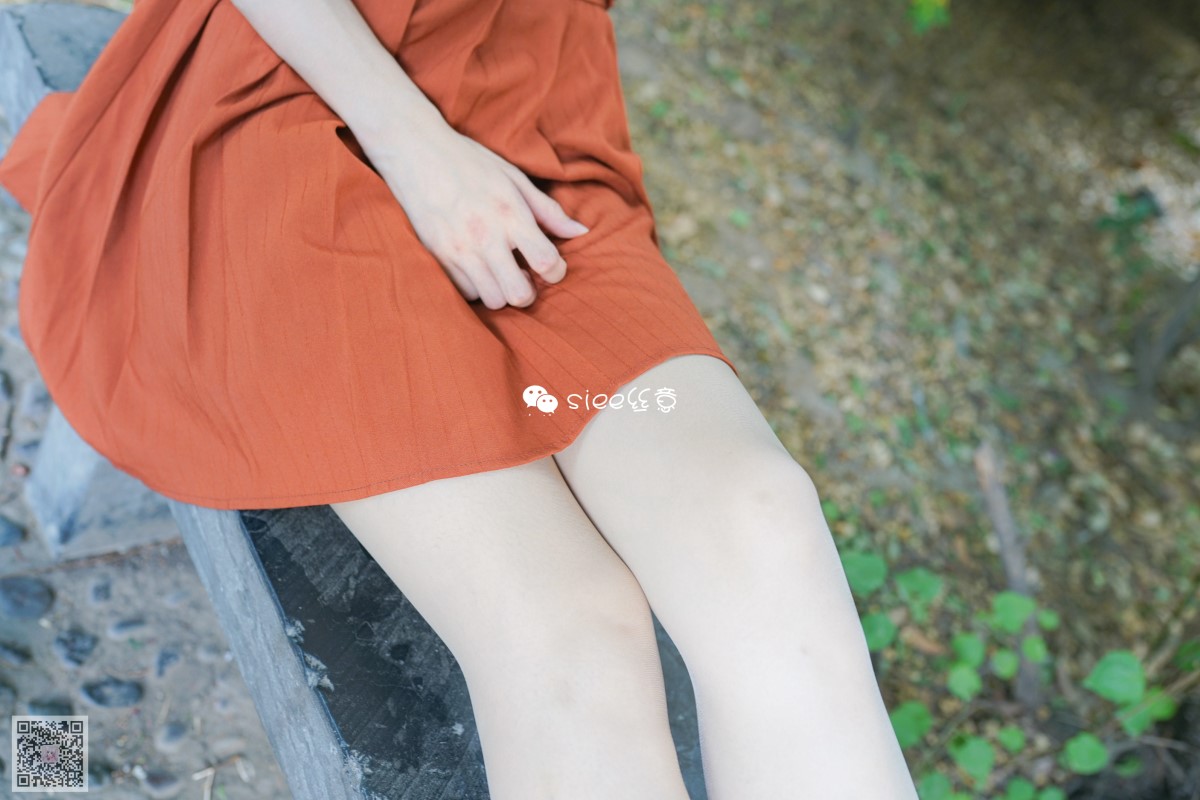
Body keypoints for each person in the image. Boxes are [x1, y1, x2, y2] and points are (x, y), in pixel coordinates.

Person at [0, 0, 921, 797]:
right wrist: (415, 146)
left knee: (762, 521)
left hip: (536, 111)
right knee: (569, 627)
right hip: (305, 87)